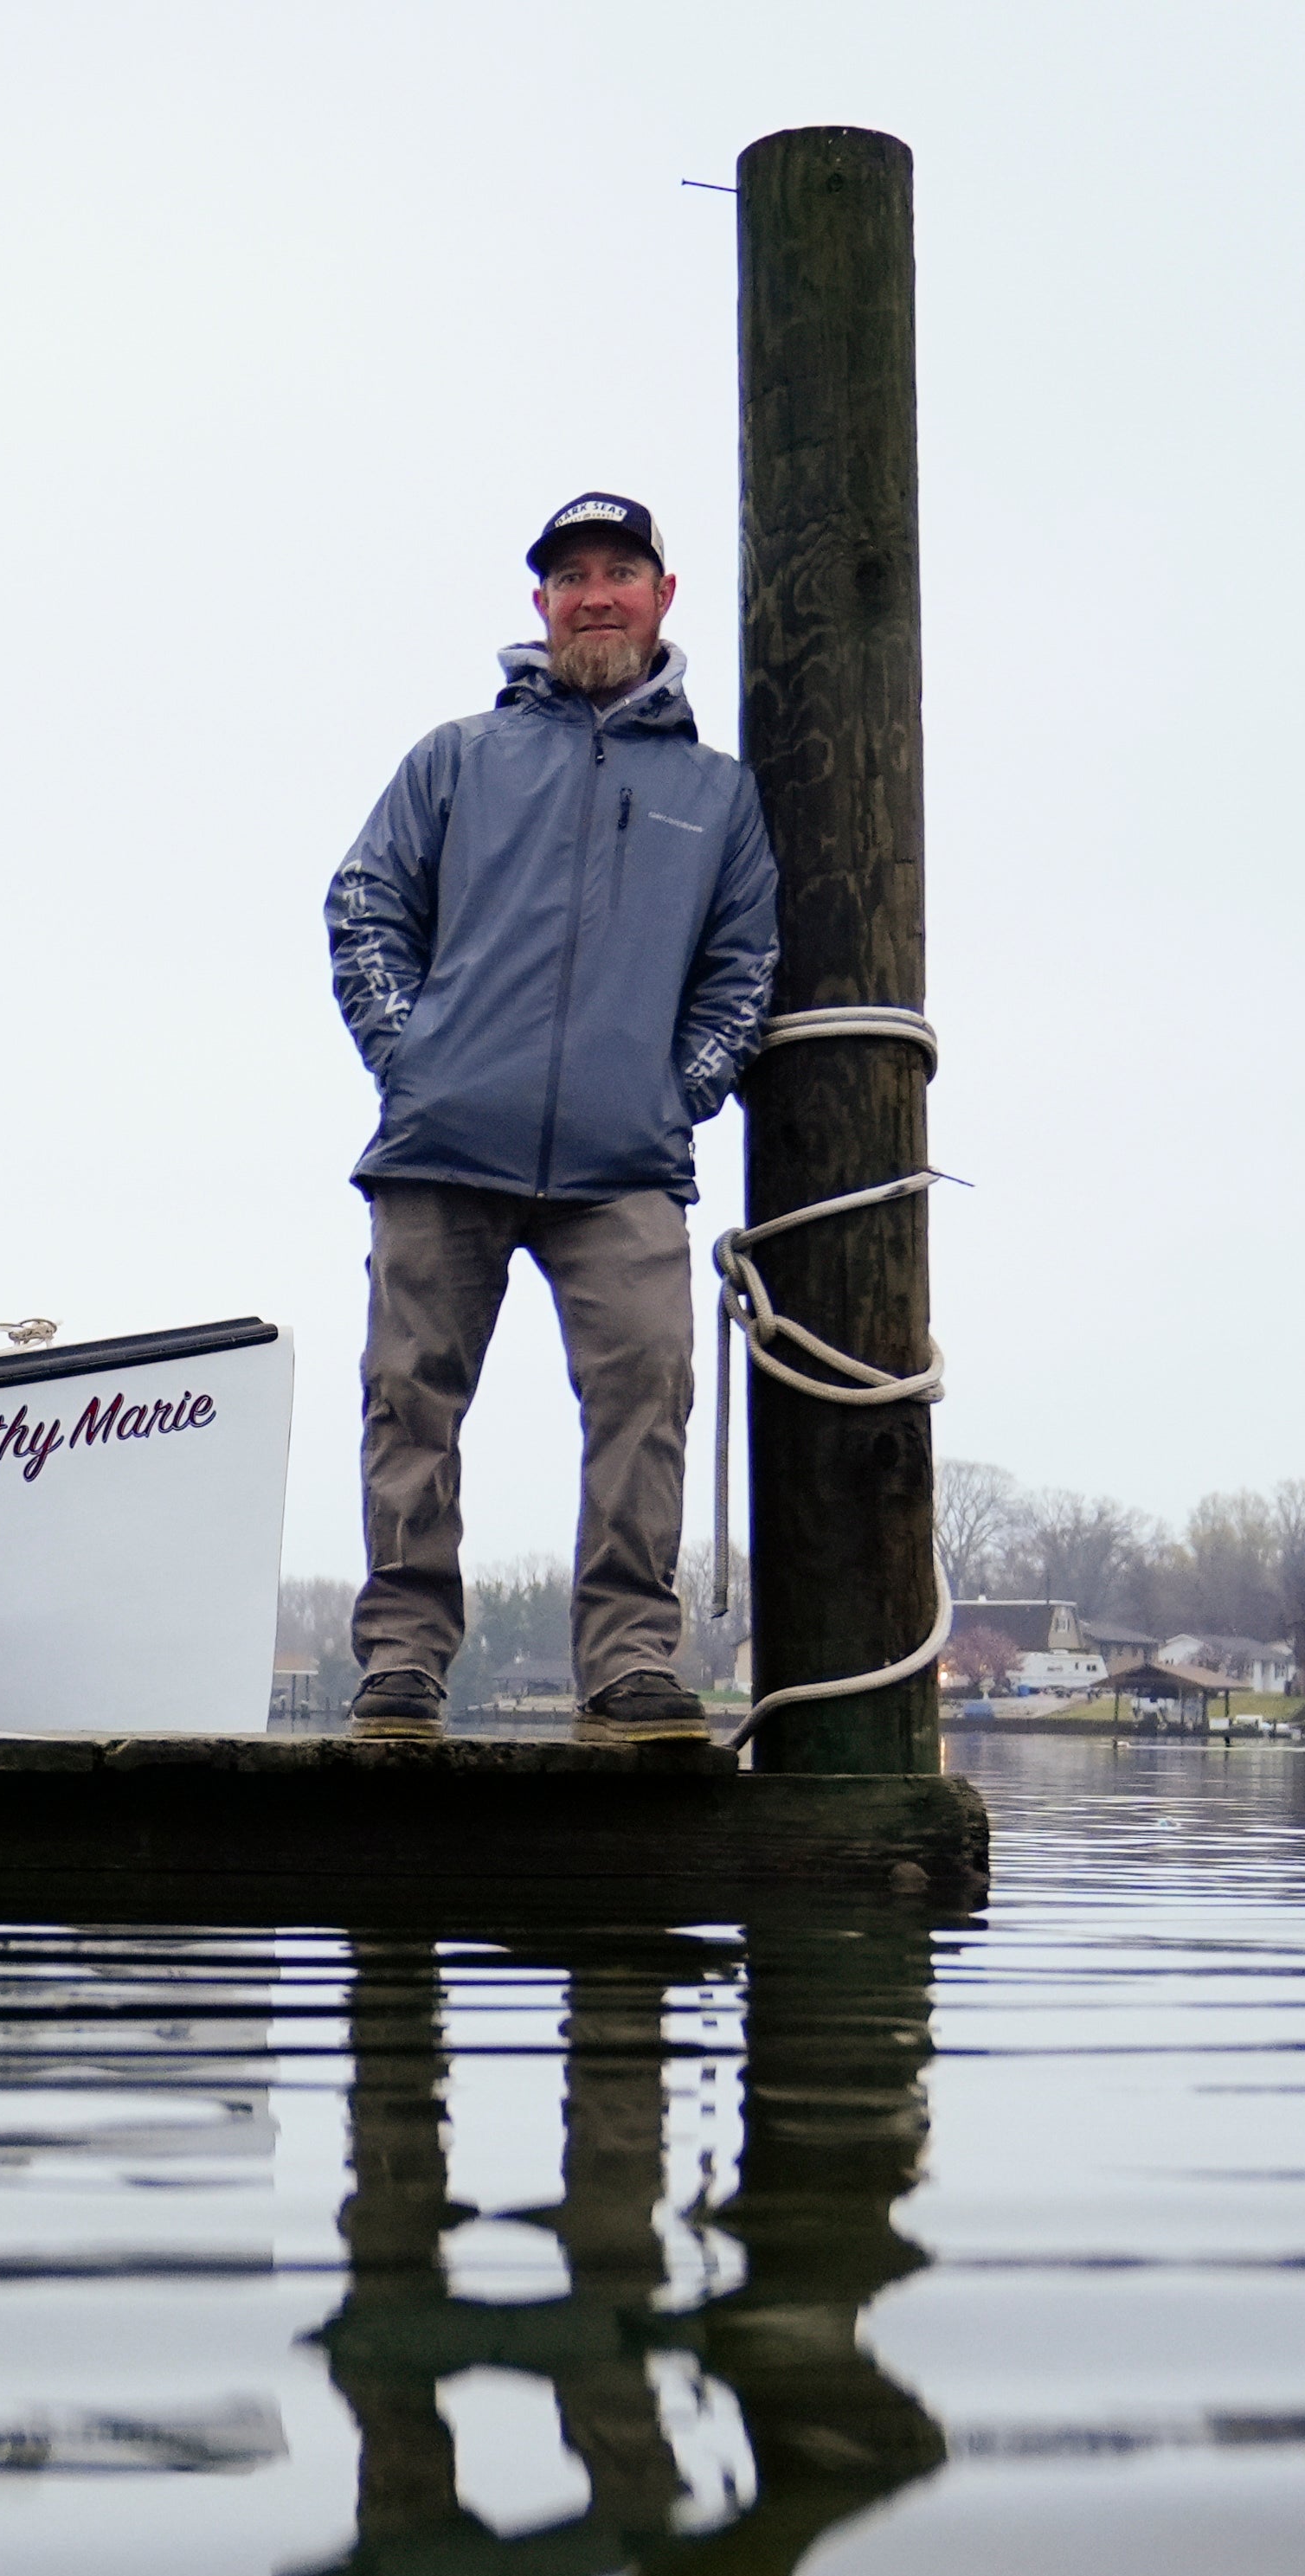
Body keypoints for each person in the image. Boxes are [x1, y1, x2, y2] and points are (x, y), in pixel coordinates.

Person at [324, 490, 777, 1744]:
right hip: (441, 1147)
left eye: (619, 571)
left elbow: (744, 966)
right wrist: (411, 1060)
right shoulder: (454, 757)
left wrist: (672, 1090)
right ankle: (402, 1663)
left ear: (660, 598)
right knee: (408, 1400)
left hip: (622, 1167)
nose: (594, 594)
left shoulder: (716, 794)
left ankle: (629, 1662)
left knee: (648, 1398)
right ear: (539, 603)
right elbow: (363, 906)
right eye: (570, 574)